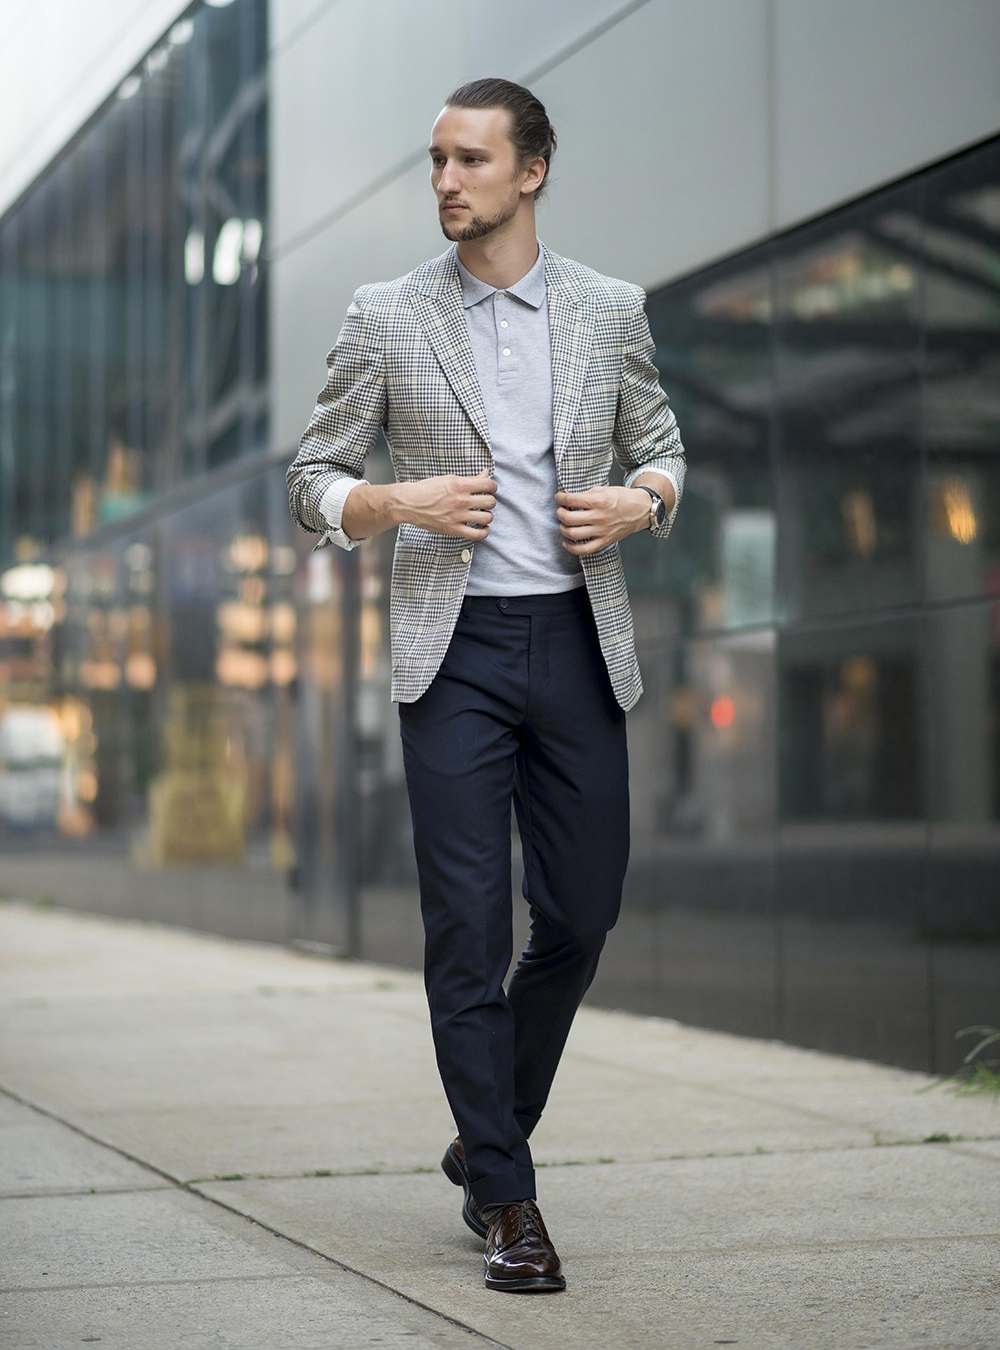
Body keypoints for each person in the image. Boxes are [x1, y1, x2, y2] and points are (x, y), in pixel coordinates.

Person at [286, 77, 686, 1294]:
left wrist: (644, 498)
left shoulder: (610, 310)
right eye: (436, 161)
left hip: (574, 642)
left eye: (470, 160)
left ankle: (482, 1128)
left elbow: (662, 443)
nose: (446, 181)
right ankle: (509, 1203)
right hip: (450, 652)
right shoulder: (387, 314)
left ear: (532, 171)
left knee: (577, 917)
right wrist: (391, 502)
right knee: (465, 930)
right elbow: (312, 474)